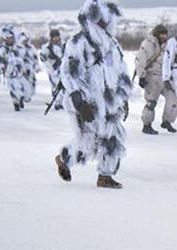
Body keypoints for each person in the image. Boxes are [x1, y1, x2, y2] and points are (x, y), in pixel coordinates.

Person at [53, 0, 132, 189]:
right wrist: (80, 101)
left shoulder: (112, 46)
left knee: (114, 137)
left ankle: (105, 175)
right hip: (88, 102)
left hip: (110, 102)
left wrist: (123, 98)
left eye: (107, 22)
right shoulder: (78, 43)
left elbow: (122, 72)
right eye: (101, 22)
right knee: (88, 142)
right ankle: (64, 159)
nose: (105, 26)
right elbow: (69, 74)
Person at [136, 24, 177, 135]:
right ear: (156, 34)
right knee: (151, 102)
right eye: (162, 34)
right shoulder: (147, 44)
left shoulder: (170, 45)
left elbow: (174, 60)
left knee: (174, 99)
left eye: (165, 34)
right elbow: (140, 60)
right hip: (151, 77)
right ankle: (147, 125)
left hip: (166, 78)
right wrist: (141, 76)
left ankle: (167, 121)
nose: (164, 36)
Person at [0, 25, 30, 111]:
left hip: (21, 73)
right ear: (5, 38)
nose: (10, 39)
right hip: (9, 74)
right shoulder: (1, 49)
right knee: (14, 89)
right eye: (8, 38)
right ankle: (16, 103)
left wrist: (27, 68)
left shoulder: (19, 47)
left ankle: (22, 98)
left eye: (11, 37)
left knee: (26, 90)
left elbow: (25, 59)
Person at [39, 29, 65, 111]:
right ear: (51, 38)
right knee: (55, 86)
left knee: (64, 86)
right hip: (53, 70)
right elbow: (42, 57)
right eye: (54, 37)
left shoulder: (63, 45)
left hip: (63, 69)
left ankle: (63, 102)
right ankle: (58, 103)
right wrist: (50, 64)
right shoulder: (47, 47)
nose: (56, 38)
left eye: (57, 36)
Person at [17, 32, 39, 103]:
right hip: (21, 70)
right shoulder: (17, 49)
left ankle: (28, 96)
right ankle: (21, 96)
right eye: (23, 41)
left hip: (30, 69)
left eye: (26, 41)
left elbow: (35, 58)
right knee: (21, 84)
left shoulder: (31, 48)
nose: (25, 42)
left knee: (31, 83)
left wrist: (37, 66)